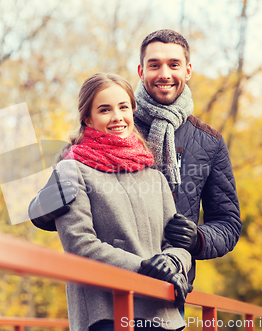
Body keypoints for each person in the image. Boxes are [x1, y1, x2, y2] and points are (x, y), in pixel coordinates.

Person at [29, 29, 242, 314]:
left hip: (169, 289)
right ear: (141, 71)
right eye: (155, 65)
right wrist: (42, 206)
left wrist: (197, 240)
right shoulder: (113, 123)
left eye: (174, 64)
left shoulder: (209, 142)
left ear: (188, 70)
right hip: (105, 296)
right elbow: (62, 209)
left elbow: (228, 223)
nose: (164, 73)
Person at [51, 72, 192, 331]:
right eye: (105, 110)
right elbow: (80, 244)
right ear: (87, 118)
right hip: (108, 315)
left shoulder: (154, 175)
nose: (117, 117)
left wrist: (172, 262)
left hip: (164, 315)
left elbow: (177, 243)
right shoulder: (71, 170)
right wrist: (146, 268)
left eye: (123, 107)